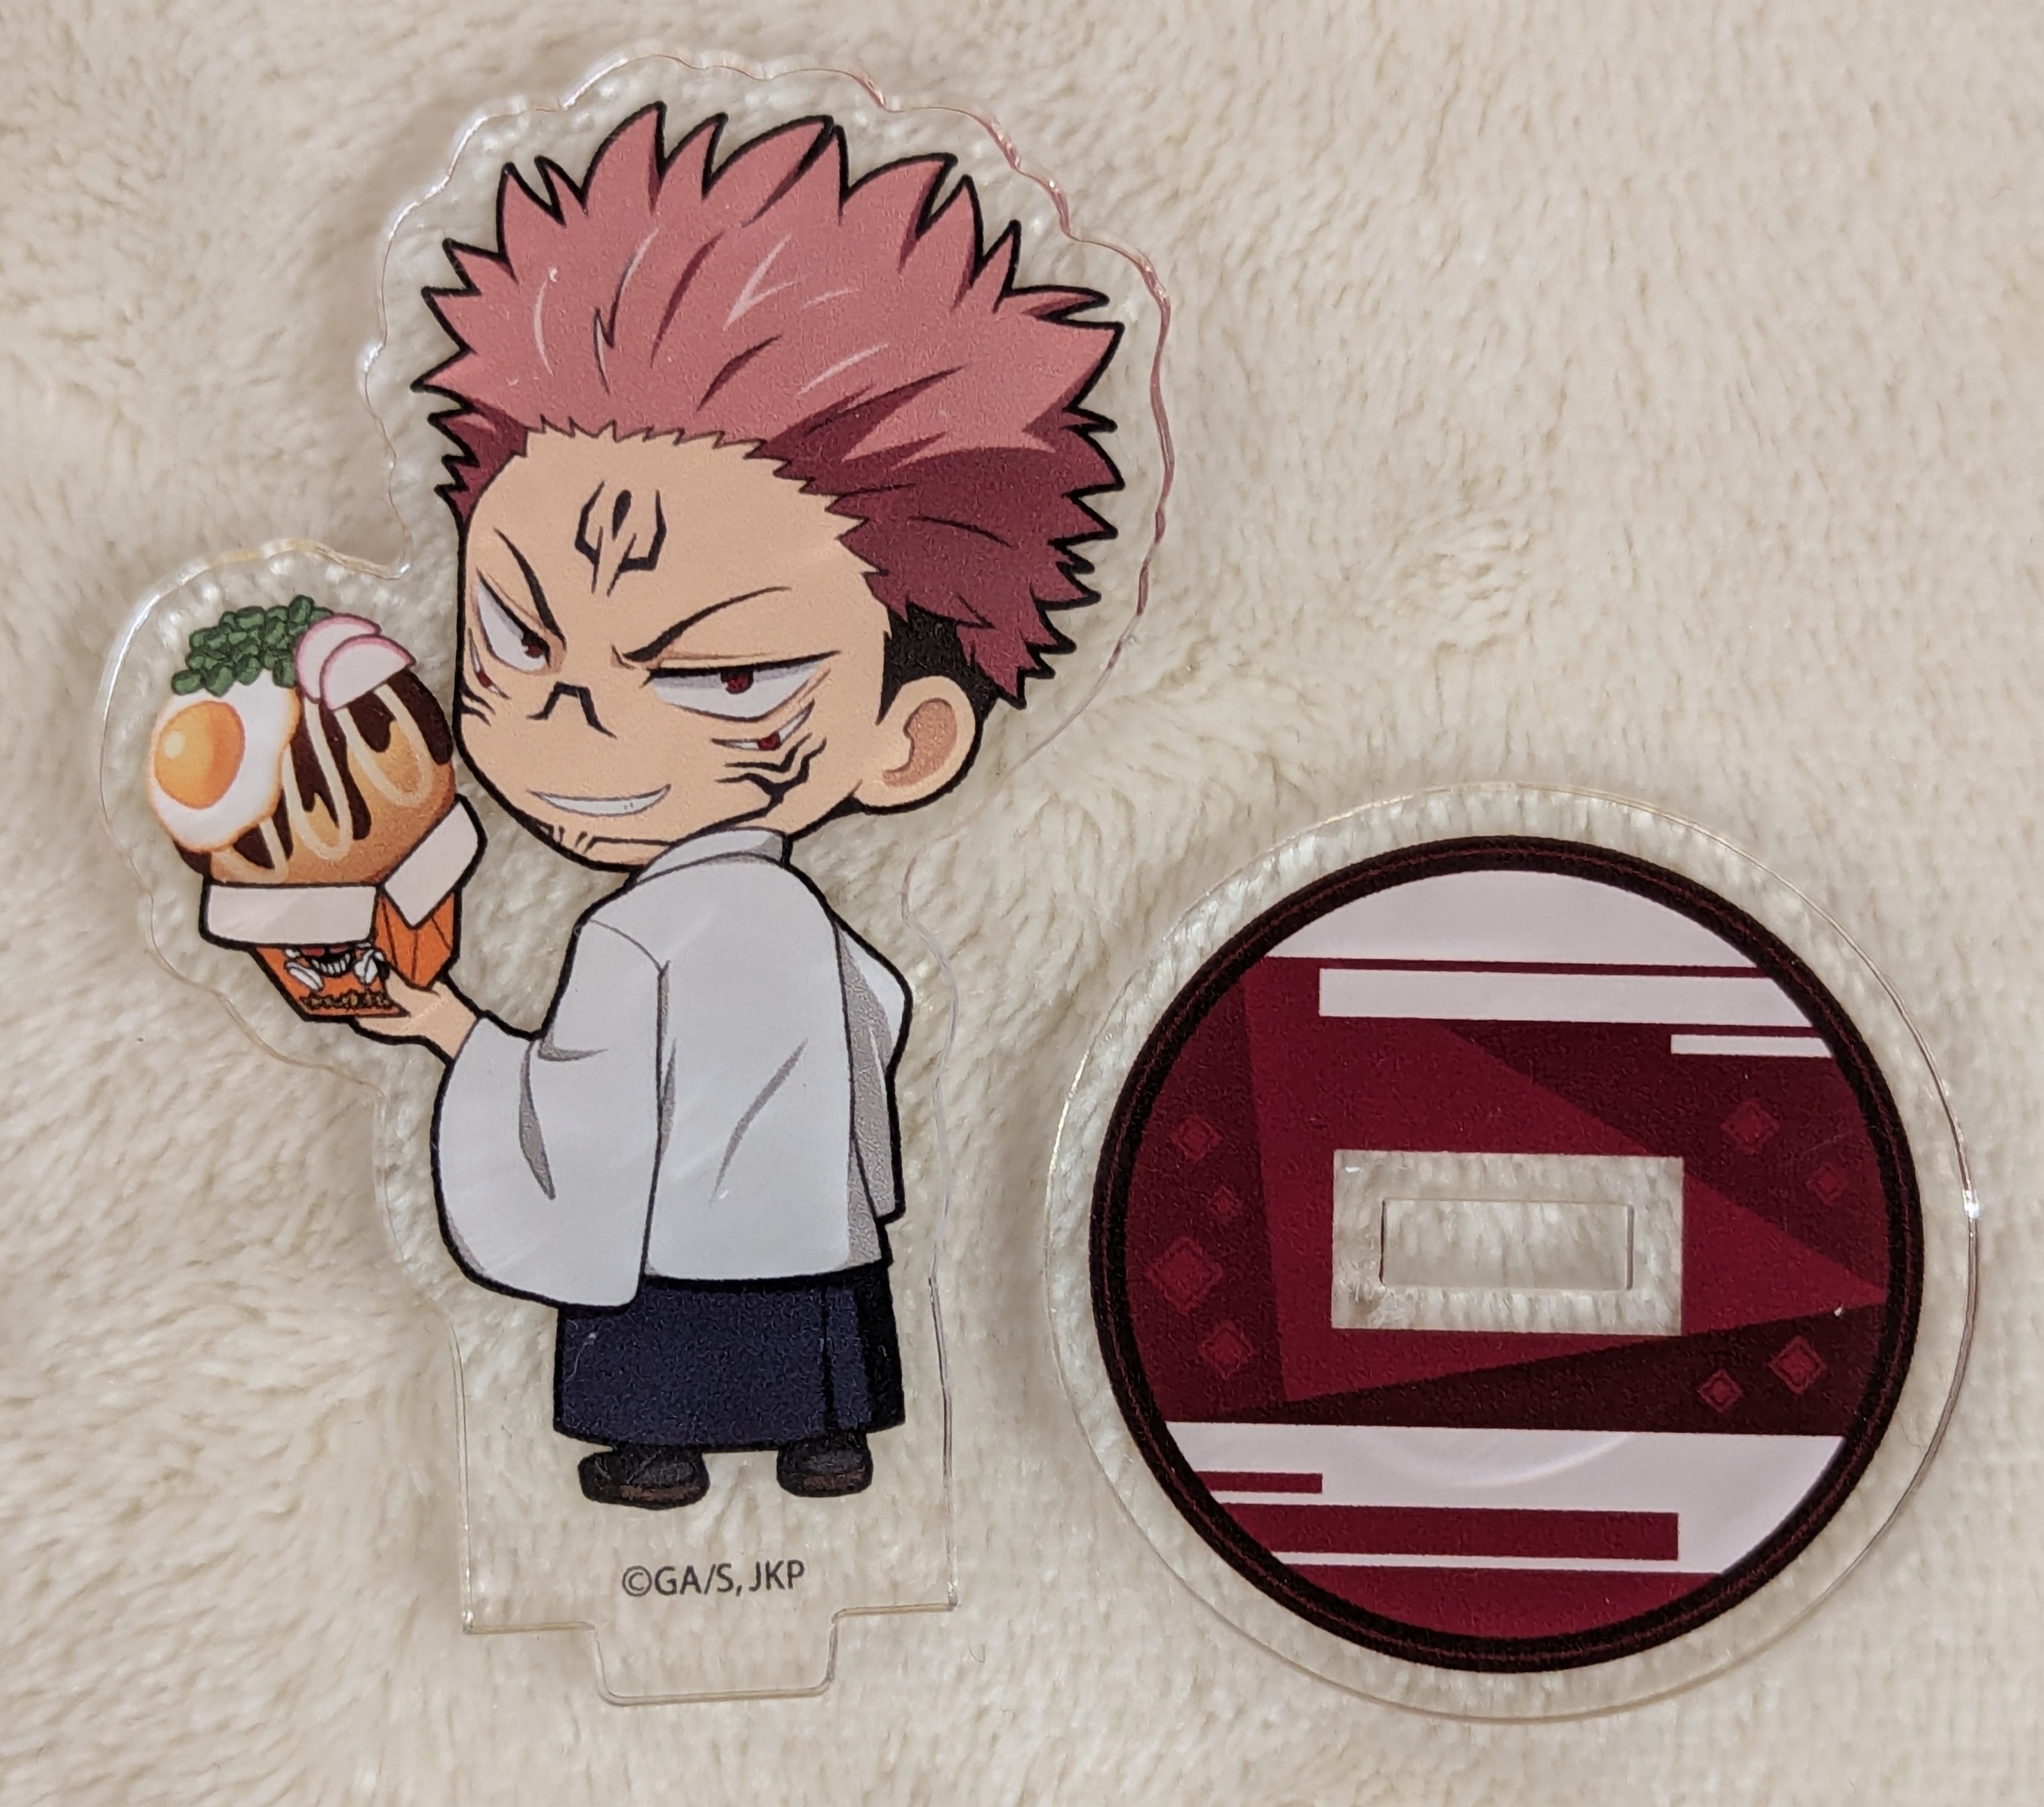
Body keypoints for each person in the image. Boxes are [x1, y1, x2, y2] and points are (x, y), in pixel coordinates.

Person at [350, 106, 1123, 1508]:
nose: (577, 711)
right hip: (817, 1241)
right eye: (517, 635)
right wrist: (849, 1164)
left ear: (906, 741)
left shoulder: (632, 937)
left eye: (716, 675)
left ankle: (663, 1446)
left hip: (684, 1259)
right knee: (822, 1347)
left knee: (663, 1350)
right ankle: (828, 1435)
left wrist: (449, 1026)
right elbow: (882, 1012)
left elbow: (584, 1121)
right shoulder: (812, 929)